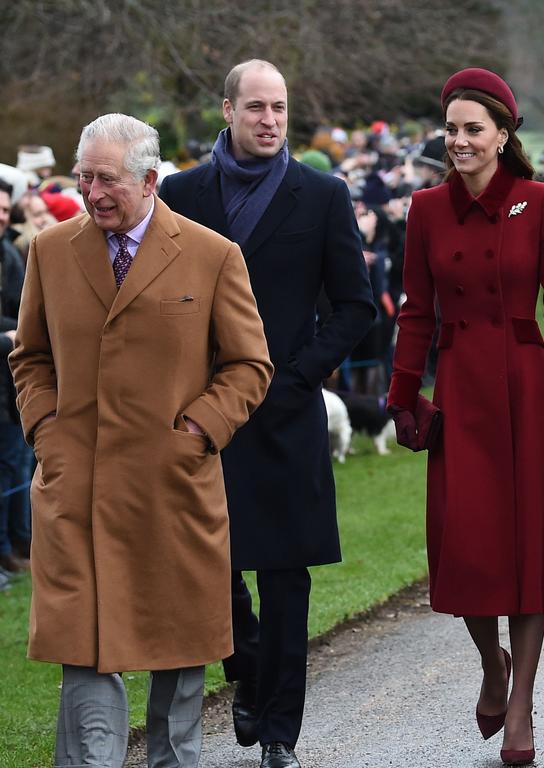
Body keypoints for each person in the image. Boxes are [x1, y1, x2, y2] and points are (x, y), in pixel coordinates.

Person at [10, 112, 273, 768]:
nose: (92, 192)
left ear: (150, 180)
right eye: (83, 177)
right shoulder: (49, 250)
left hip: (172, 491)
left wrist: (199, 430)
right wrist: (47, 433)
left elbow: (249, 365)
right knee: (86, 655)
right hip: (77, 492)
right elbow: (30, 358)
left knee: (179, 658)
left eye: (107, 181)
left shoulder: (213, 255)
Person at [386, 67, 544, 766]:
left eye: (472, 129)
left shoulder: (539, 202)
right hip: (459, 393)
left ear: (503, 134)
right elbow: (417, 311)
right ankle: (493, 664)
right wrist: (401, 397)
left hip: (524, 388)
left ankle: (522, 710)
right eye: (450, 130)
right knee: (468, 550)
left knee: (526, 550)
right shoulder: (425, 209)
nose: (459, 141)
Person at [160, 60, 376, 768]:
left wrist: (300, 376)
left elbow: (355, 308)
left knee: (287, 576)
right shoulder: (182, 195)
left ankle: (280, 733)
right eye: (256, 107)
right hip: (205, 416)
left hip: (286, 412)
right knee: (213, 565)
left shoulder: (320, 195)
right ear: (227, 110)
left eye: (279, 107)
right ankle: (247, 669)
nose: (270, 120)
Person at [0, 178, 29, 576]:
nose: (2, 216)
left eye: (6, 209)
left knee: (15, 466)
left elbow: (27, 312)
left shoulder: (9, 252)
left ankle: (15, 544)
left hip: (11, 383)